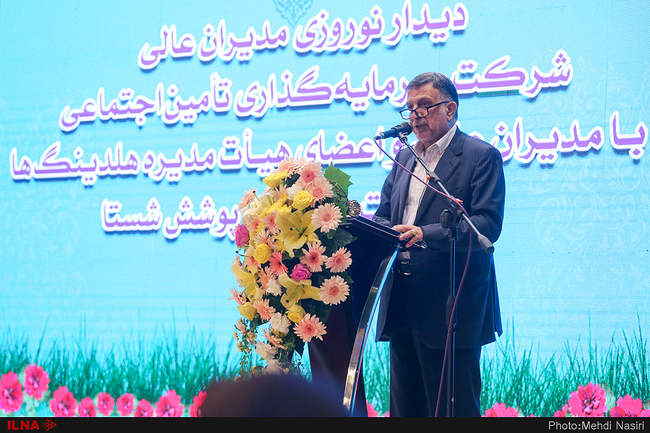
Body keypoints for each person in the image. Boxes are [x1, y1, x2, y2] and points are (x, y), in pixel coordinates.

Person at [372, 72, 505, 417]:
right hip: (403, 302)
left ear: (450, 109)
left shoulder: (480, 156)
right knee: (405, 410)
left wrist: (424, 234)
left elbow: (487, 225)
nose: (414, 115)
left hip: (451, 306)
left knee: (454, 410)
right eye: (409, 108)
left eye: (424, 106)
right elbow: (383, 216)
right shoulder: (404, 159)